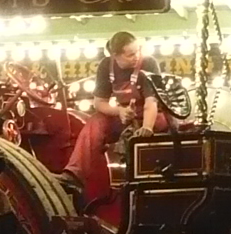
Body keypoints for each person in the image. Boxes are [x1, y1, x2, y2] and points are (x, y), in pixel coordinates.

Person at [60, 31, 165, 210]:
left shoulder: (148, 63)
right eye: (130, 54)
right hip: (123, 113)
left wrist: (147, 127)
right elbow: (99, 103)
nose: (136, 56)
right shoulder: (105, 67)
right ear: (115, 56)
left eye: (137, 51)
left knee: (159, 124)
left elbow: (151, 102)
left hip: (151, 115)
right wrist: (119, 111)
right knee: (95, 123)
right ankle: (74, 174)